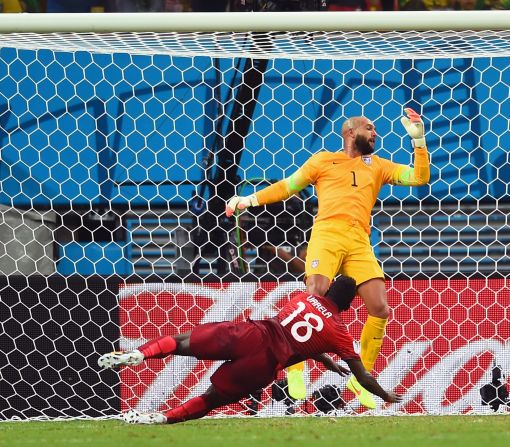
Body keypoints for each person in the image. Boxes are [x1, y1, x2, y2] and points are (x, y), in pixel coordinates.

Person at [224, 108, 430, 408]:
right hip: (327, 234)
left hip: (359, 241)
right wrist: (249, 199)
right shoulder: (323, 160)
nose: (376, 133)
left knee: (380, 308)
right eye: (370, 127)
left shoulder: (378, 165)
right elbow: (287, 186)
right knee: (315, 297)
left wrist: (419, 141)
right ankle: (294, 365)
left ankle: (362, 381)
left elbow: (419, 178)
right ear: (350, 132)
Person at [98, 276, 400, 424]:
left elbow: (295, 330)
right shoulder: (338, 333)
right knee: (210, 399)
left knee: (181, 342)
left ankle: (139, 354)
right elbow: (360, 375)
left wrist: (322, 360)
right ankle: (162, 418)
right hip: (265, 363)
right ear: (349, 304)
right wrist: (386, 395)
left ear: (329, 289)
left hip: (253, 334)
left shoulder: (301, 299)